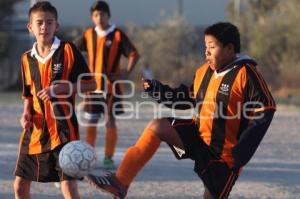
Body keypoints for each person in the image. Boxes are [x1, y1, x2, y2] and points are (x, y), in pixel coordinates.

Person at [85, 22, 276, 199]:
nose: (207, 52)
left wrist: (242, 151)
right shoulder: (204, 72)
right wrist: (157, 90)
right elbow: (186, 98)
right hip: (197, 137)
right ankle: (120, 181)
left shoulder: (246, 73)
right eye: (205, 46)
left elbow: (266, 107)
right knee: (158, 126)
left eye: (212, 47)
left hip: (225, 158)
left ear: (229, 48)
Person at [13, 1, 96, 199]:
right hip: (34, 132)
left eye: (49, 22)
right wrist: (25, 113)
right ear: (30, 27)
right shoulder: (26, 58)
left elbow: (91, 84)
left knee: (68, 188)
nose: (44, 27)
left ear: (56, 26)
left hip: (64, 132)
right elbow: (28, 94)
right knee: (19, 187)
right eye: (39, 23)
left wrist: (66, 87)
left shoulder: (68, 51)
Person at [76, 0, 139, 170]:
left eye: (102, 14)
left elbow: (133, 53)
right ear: (92, 17)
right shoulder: (88, 34)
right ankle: (88, 156)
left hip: (112, 87)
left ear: (108, 16)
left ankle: (108, 158)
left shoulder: (117, 35)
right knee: (91, 121)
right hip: (92, 87)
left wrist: (126, 71)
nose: (99, 18)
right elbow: (73, 52)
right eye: (96, 15)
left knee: (110, 121)